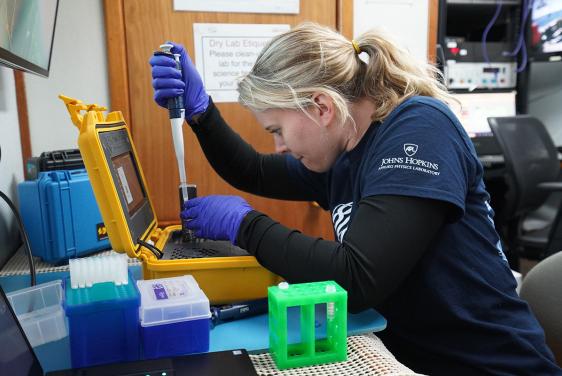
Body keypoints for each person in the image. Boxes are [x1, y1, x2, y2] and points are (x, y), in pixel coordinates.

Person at [150, 22, 562, 375]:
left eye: (277, 130)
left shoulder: (420, 129)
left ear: (322, 107)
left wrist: (245, 226)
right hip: (408, 357)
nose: (278, 147)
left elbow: (357, 278)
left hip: (486, 365)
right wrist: (200, 113)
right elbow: (251, 170)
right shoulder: (342, 154)